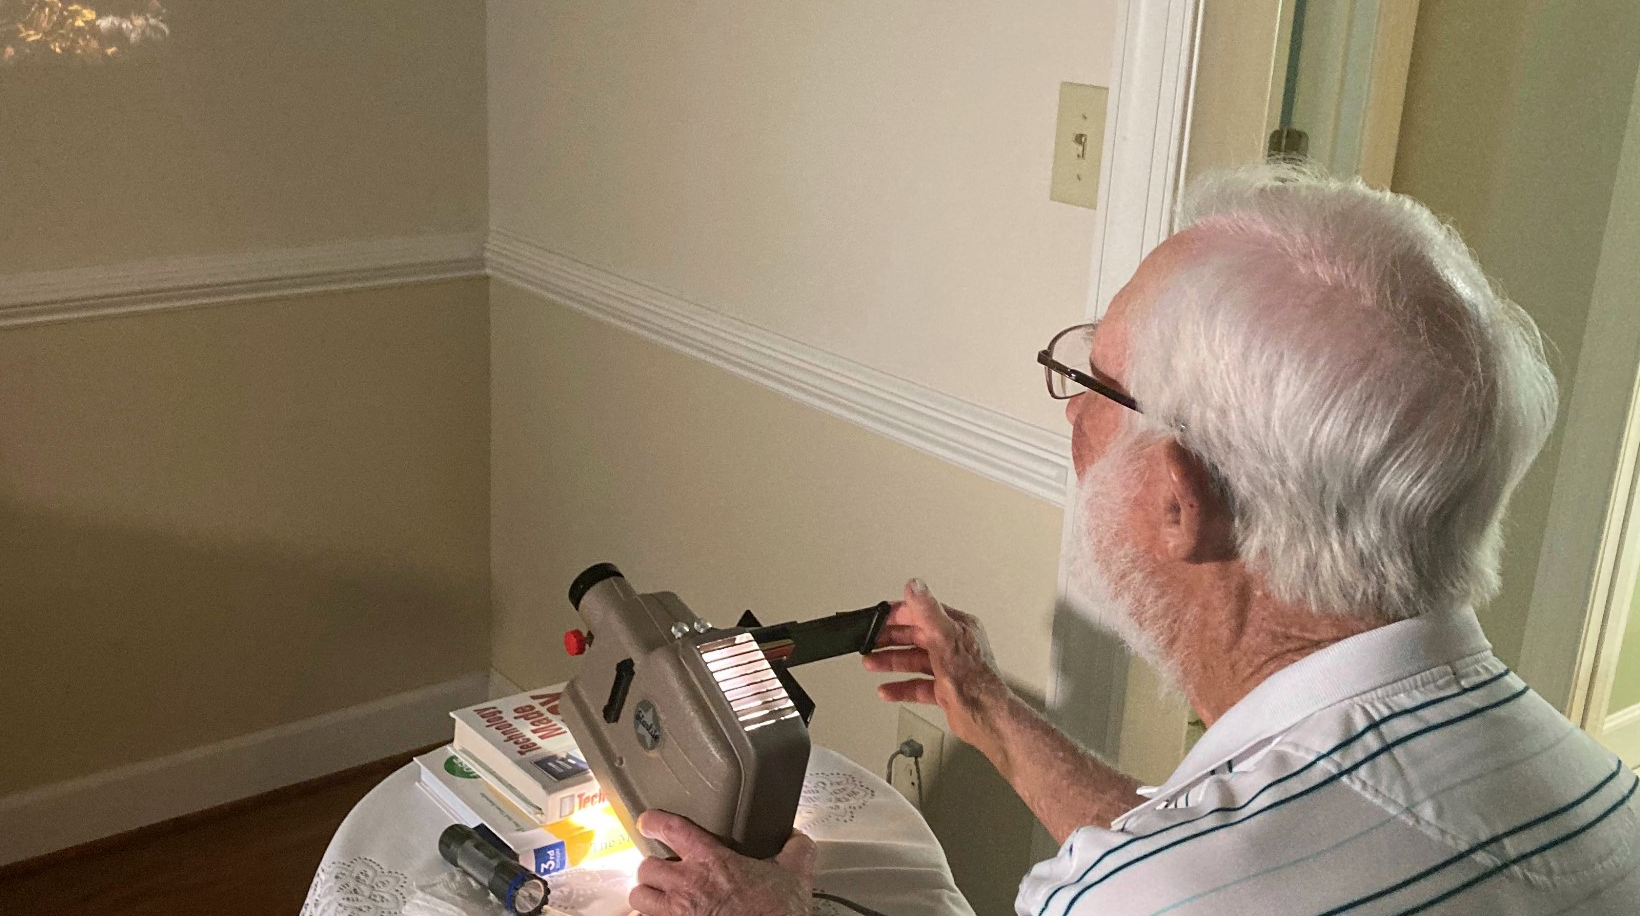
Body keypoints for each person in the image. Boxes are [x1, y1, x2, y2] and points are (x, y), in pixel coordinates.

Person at [623, 166, 1640, 915]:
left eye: (1097, 386)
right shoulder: (1597, 797)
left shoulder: (1150, 899)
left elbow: (1183, 871)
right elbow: (1211, 830)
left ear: (1177, 500)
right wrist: (988, 712)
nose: (1070, 418)